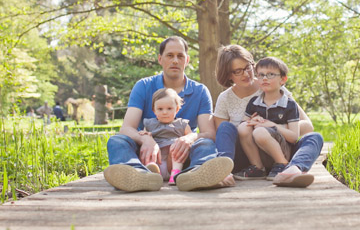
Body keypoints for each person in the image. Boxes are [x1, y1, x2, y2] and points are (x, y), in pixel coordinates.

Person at [103, 36, 233, 192]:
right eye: (170, 56)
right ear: (160, 59)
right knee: (117, 141)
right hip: (147, 157)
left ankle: (196, 174)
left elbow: (209, 133)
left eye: (180, 56)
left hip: (181, 156)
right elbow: (126, 128)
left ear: (187, 60)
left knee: (205, 144)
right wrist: (146, 139)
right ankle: (138, 174)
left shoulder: (200, 90)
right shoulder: (143, 86)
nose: (175, 61)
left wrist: (190, 137)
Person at [213, 45, 323, 188]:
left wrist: (271, 126)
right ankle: (224, 171)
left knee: (315, 138)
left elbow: (307, 126)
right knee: (225, 127)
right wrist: (248, 124)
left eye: (248, 67)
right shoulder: (225, 98)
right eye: (238, 71)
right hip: (247, 159)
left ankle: (292, 170)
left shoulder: (273, 87)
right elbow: (222, 135)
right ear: (228, 74)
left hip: (280, 150)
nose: (246, 74)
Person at [142, 88, 190, 184]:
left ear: (176, 109)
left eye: (169, 108)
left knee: (176, 147)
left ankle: (175, 174)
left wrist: (184, 139)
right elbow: (144, 137)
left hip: (173, 163)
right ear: (154, 110)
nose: (164, 112)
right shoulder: (149, 124)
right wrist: (146, 135)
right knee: (149, 149)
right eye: (160, 109)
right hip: (157, 160)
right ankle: (153, 173)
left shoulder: (181, 124)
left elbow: (190, 137)